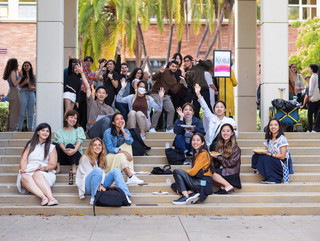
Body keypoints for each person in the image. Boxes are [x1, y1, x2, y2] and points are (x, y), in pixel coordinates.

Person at [76, 138, 131, 205]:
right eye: (95, 145)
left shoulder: (101, 159)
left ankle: (126, 195)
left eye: (99, 145)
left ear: (102, 147)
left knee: (116, 171)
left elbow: (102, 175)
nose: (97, 147)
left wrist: (100, 184)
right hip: (86, 186)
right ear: (91, 147)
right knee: (98, 170)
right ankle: (93, 198)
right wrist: (100, 185)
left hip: (98, 183)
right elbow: (89, 174)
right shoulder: (85, 158)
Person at [16, 123, 59, 206]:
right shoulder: (30, 145)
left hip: (44, 172)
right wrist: (23, 169)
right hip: (29, 169)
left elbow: (52, 165)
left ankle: (51, 198)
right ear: (38, 132)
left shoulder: (51, 147)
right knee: (24, 176)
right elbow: (24, 159)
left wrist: (44, 168)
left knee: (37, 174)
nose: (45, 132)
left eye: (47, 131)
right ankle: (43, 197)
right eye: (43, 130)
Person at [171, 133, 214, 205]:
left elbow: (193, 172)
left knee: (177, 171)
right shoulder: (196, 154)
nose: (195, 142)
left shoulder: (203, 154)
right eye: (193, 140)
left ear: (202, 143)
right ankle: (191, 193)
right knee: (174, 185)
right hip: (198, 181)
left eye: (198, 140)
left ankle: (185, 196)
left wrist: (183, 173)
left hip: (203, 183)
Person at [103, 113, 144, 185]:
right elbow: (110, 148)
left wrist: (123, 130)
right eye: (117, 119)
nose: (120, 120)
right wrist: (124, 152)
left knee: (128, 145)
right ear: (113, 122)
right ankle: (131, 176)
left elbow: (130, 141)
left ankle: (129, 169)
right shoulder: (108, 132)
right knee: (121, 155)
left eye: (121, 118)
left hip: (117, 156)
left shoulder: (125, 131)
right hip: (108, 157)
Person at [194, 84, 238, 151]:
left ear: (225, 109)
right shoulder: (212, 118)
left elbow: (236, 135)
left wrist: (232, 131)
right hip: (213, 146)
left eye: (221, 107)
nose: (219, 109)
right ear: (214, 109)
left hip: (226, 146)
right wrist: (198, 94)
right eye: (217, 107)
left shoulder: (230, 120)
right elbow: (205, 107)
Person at [251, 118, 292, 184]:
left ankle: (275, 178)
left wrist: (270, 155)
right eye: (271, 125)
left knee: (265, 158)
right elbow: (266, 152)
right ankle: (260, 171)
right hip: (272, 160)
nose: (273, 127)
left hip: (281, 164)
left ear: (279, 127)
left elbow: (282, 156)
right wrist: (260, 152)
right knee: (256, 156)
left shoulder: (282, 139)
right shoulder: (268, 139)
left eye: (275, 125)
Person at [81, 64, 114, 139]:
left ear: (106, 95)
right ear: (96, 94)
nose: (101, 94)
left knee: (113, 117)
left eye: (103, 93)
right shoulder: (91, 103)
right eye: (99, 92)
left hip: (105, 132)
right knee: (105, 119)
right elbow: (87, 87)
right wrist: (82, 73)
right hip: (93, 131)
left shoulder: (109, 108)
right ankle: (107, 143)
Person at [149, 61, 183, 132]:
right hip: (155, 93)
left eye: (176, 67)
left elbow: (174, 90)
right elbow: (153, 78)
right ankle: (152, 128)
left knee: (171, 110)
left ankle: (169, 128)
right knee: (159, 109)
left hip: (165, 95)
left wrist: (180, 83)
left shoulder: (173, 79)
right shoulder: (164, 71)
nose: (174, 68)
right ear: (169, 66)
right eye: (173, 66)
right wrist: (160, 72)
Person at [54, 110, 86, 174]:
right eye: (71, 117)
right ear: (66, 118)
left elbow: (79, 141)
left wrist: (74, 151)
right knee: (54, 145)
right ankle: (58, 167)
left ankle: (74, 167)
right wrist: (64, 150)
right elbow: (60, 142)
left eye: (75, 118)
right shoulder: (59, 131)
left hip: (76, 156)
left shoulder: (79, 129)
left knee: (70, 145)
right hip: (64, 156)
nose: (73, 120)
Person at [213, 123, 242, 192]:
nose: (225, 133)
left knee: (210, 173)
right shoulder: (219, 145)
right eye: (223, 131)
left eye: (228, 131)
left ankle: (228, 186)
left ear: (232, 133)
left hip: (231, 173)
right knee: (205, 175)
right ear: (220, 133)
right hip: (223, 171)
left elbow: (230, 163)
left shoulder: (235, 148)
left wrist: (218, 157)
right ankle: (224, 185)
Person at [3, 58, 22, 131]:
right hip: (14, 92)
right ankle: (12, 128)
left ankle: (8, 128)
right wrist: (20, 77)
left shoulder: (11, 72)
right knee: (15, 112)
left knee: (12, 111)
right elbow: (15, 83)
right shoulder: (12, 72)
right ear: (14, 64)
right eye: (17, 63)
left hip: (11, 92)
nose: (18, 65)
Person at [17, 61, 36, 132]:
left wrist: (32, 88)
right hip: (23, 93)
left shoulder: (33, 76)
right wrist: (24, 82)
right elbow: (19, 86)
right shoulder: (21, 75)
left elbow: (36, 87)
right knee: (22, 112)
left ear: (30, 67)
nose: (26, 67)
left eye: (27, 65)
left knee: (30, 113)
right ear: (23, 67)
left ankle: (30, 129)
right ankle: (19, 129)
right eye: (24, 66)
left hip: (31, 94)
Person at [307, 64, 320, 132]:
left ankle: (310, 129)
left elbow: (311, 88)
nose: (309, 70)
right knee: (316, 115)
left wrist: (309, 96)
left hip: (313, 99)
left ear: (311, 69)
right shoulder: (318, 77)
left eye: (309, 68)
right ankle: (316, 128)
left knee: (309, 115)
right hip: (318, 99)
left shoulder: (312, 77)